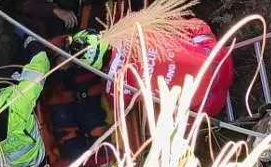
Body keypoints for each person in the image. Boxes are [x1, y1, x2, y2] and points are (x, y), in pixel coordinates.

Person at [71, 20, 233, 117]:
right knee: (192, 28)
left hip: (211, 101)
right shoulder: (132, 30)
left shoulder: (115, 89)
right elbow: (193, 25)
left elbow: (119, 111)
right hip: (220, 58)